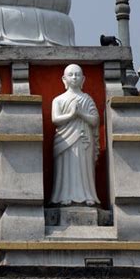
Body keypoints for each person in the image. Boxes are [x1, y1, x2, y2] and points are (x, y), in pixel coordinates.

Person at [50, 64, 100, 206]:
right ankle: (63, 195)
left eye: (77, 74)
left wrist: (81, 114)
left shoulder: (87, 99)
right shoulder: (58, 100)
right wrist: (72, 114)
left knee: (84, 167)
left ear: (83, 79)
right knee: (66, 168)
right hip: (64, 139)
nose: (74, 77)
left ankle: (87, 195)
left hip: (84, 138)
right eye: (70, 74)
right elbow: (55, 120)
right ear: (63, 79)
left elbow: (95, 120)